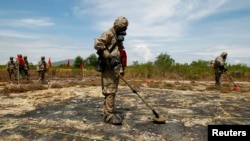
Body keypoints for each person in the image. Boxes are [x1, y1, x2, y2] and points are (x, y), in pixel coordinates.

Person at [94, 16, 129, 125]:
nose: (124, 31)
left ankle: (108, 111)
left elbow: (118, 50)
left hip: (115, 67)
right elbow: (97, 43)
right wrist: (108, 56)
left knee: (112, 91)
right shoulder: (108, 33)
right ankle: (108, 116)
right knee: (110, 91)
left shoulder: (117, 35)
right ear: (119, 27)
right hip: (109, 67)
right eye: (123, 28)